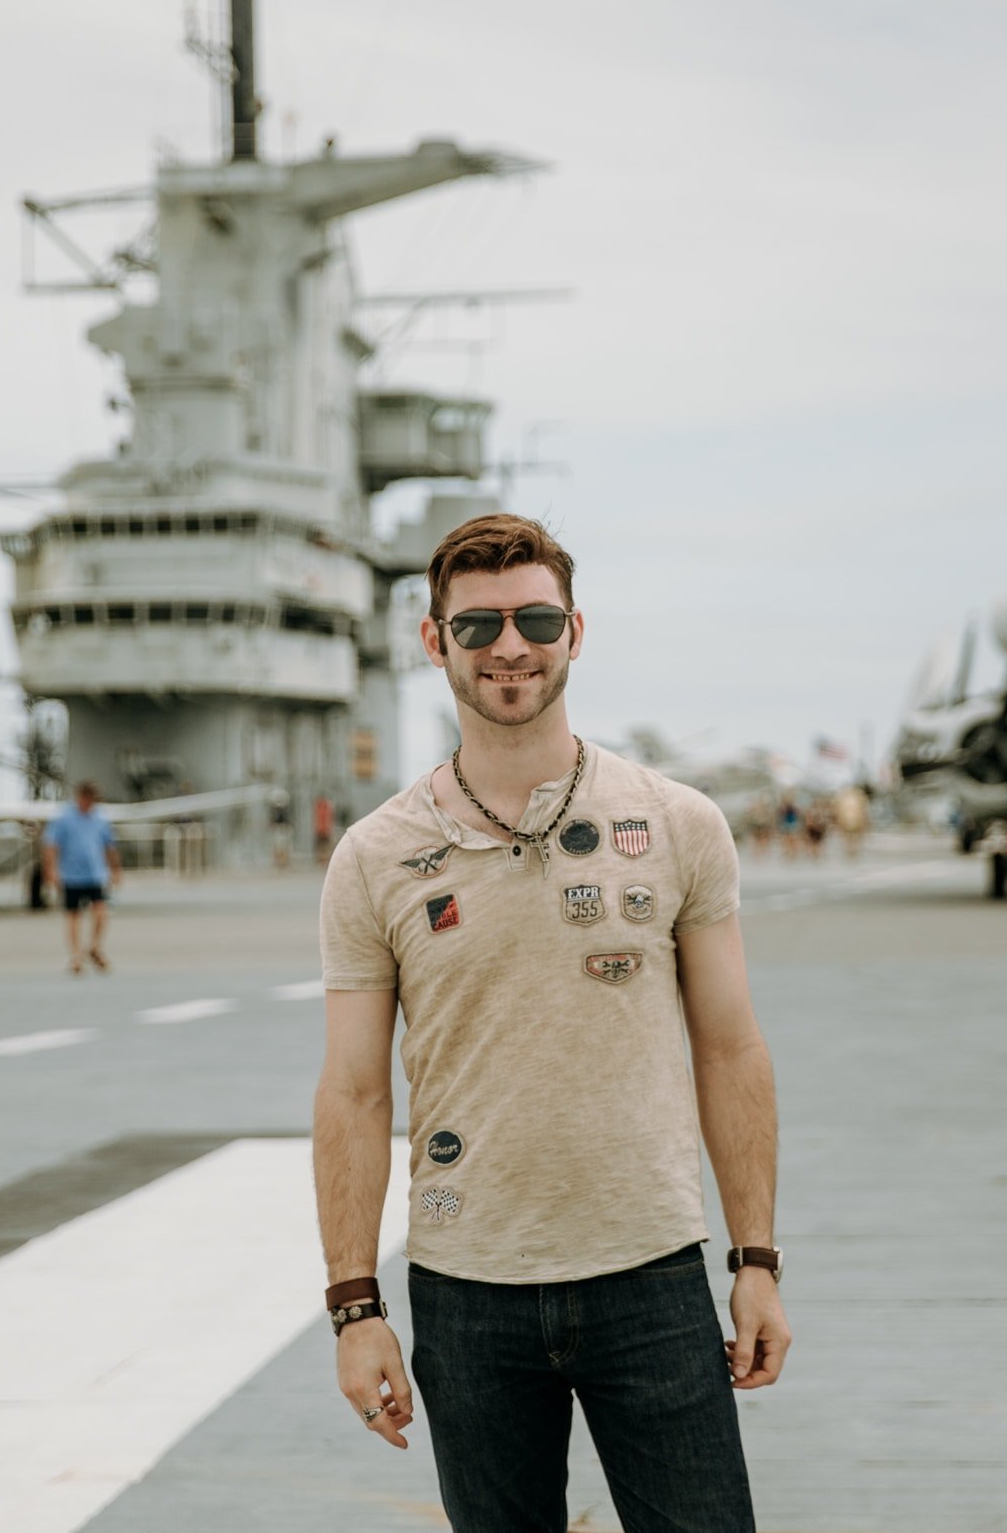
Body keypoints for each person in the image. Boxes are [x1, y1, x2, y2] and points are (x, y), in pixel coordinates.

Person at [314, 513, 789, 1532]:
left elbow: (730, 1046)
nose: (509, 646)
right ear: (434, 641)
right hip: (466, 1287)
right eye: (477, 625)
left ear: (575, 630)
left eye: (534, 617)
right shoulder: (373, 854)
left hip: (651, 1271)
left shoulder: (675, 823)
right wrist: (356, 1308)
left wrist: (756, 1259)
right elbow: (354, 1090)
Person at [42, 782, 121, 975]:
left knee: (101, 911)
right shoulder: (64, 818)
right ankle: (76, 957)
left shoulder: (100, 818)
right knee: (73, 915)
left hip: (95, 873)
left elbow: (109, 846)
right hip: (71, 874)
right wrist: (51, 870)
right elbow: (51, 845)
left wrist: (115, 869)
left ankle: (94, 946)